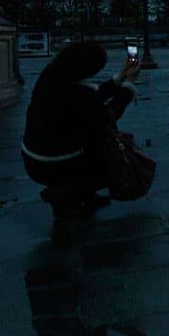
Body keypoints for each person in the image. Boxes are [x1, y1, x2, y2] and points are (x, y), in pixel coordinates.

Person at [22, 42, 140, 218]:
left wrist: (120, 77)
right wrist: (129, 84)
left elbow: (91, 98)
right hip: (56, 162)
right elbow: (109, 114)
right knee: (108, 146)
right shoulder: (80, 93)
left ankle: (82, 194)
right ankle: (67, 192)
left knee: (91, 135)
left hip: (31, 157)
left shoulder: (51, 76)